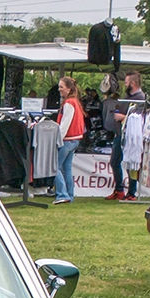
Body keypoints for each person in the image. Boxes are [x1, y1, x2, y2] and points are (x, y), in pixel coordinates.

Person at [105, 71, 147, 200]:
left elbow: (139, 118)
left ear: (133, 83)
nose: (125, 84)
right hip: (120, 134)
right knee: (115, 161)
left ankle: (131, 193)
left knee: (131, 163)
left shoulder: (141, 98)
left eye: (127, 82)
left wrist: (123, 117)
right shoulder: (127, 97)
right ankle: (119, 190)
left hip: (131, 137)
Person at [53, 76, 83, 205]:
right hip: (75, 139)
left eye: (61, 87)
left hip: (67, 139)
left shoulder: (69, 103)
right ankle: (69, 195)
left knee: (54, 166)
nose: (59, 89)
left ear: (69, 89)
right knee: (67, 168)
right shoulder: (75, 102)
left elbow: (65, 124)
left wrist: (57, 139)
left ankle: (62, 194)